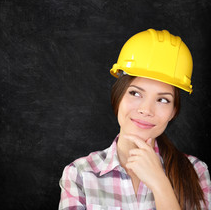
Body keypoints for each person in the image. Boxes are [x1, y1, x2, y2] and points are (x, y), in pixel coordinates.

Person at [58, 29, 211, 209]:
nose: (146, 110)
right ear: (118, 96)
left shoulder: (195, 171)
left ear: (173, 111)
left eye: (163, 99)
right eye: (135, 93)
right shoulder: (80, 174)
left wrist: (160, 183)